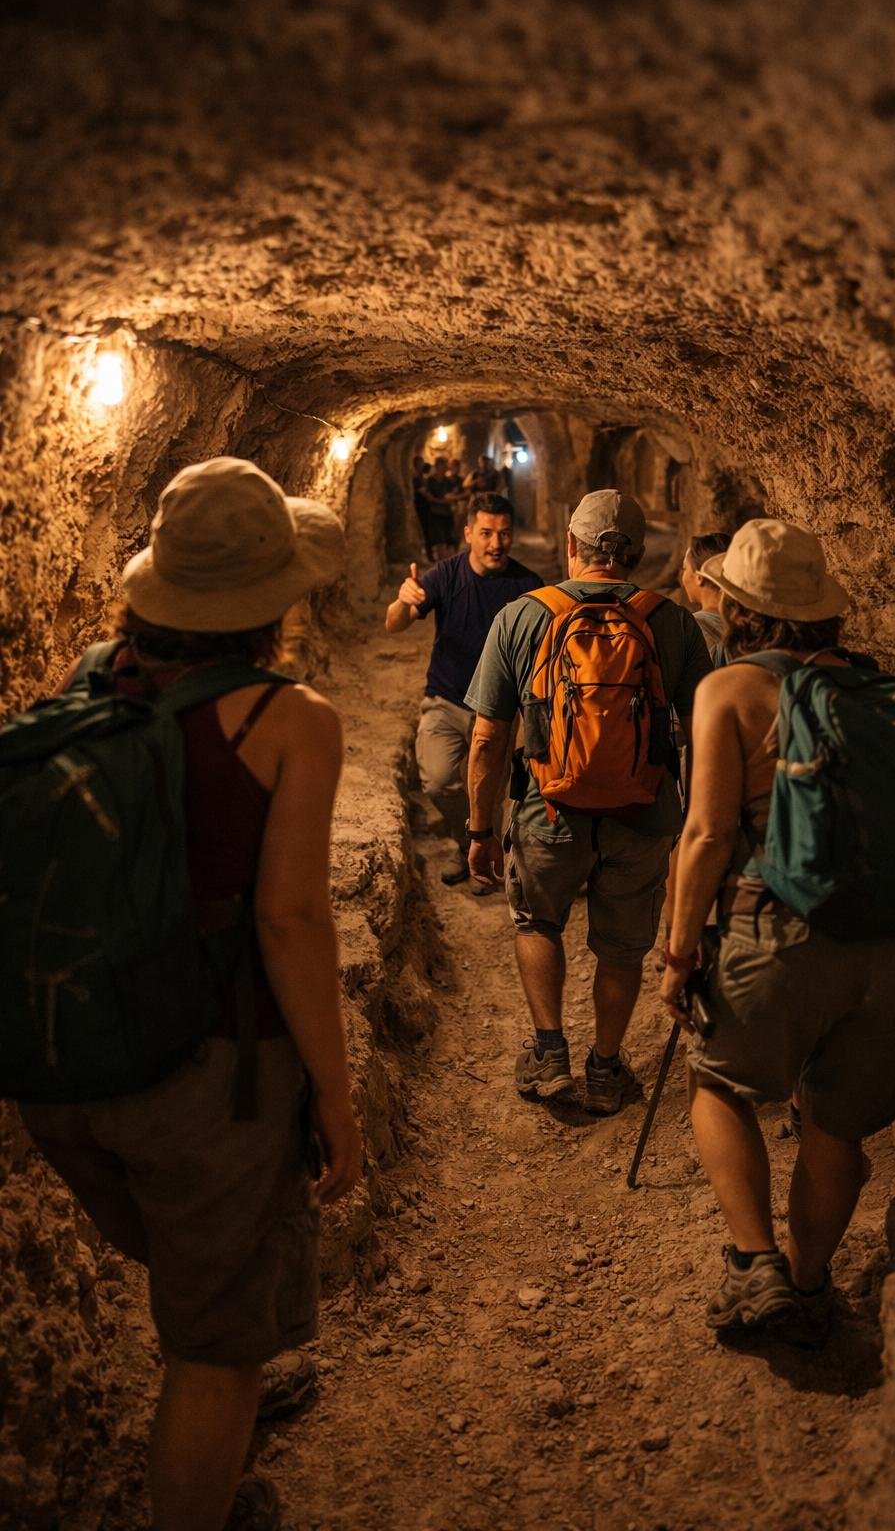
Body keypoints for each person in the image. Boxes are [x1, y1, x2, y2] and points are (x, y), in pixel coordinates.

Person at [19, 458, 364, 1531]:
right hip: (208, 1076)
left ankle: (226, 1409)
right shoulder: (290, 720)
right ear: (274, 598)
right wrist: (336, 1096)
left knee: (196, 1289)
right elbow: (290, 922)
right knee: (214, 1354)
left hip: (60, 1059)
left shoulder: (87, 680)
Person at [660, 518, 895, 1345]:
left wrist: (680, 954)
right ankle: (813, 1280)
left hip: (783, 935)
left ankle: (758, 1269)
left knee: (715, 1080)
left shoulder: (732, 690)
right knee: (836, 1125)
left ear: (738, 606)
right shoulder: (885, 691)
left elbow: (708, 837)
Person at [465, 490, 711, 1114]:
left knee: (538, 921)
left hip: (549, 811)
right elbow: (704, 732)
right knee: (623, 947)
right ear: (637, 551)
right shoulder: (673, 621)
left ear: (572, 545)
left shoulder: (523, 616)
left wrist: (480, 829)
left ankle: (550, 1053)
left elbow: (489, 737)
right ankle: (605, 1068)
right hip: (643, 813)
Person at [384, 494, 543, 890]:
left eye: (504, 534)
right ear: (469, 533)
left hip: (501, 711)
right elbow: (394, 625)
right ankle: (468, 841)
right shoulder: (446, 575)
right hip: (447, 699)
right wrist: (404, 603)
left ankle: (489, 861)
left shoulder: (527, 586)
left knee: (497, 792)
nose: (496, 543)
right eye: (486, 533)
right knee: (438, 780)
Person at [680, 530, 732, 667]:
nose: (683, 577)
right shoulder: (751, 620)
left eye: (684, 569)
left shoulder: (691, 629)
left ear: (699, 578)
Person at [421, 455, 458, 559]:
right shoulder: (430, 481)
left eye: (444, 466)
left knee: (449, 541)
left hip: (447, 514)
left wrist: (441, 501)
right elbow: (429, 498)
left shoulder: (449, 481)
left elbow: (452, 497)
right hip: (435, 514)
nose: (444, 468)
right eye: (441, 465)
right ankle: (443, 566)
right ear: (436, 466)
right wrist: (443, 501)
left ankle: (450, 566)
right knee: (439, 541)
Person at [411, 455, 432, 554]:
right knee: (423, 530)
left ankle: (428, 552)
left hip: (425, 506)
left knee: (427, 530)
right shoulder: (415, 478)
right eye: (420, 463)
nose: (422, 465)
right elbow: (423, 492)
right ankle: (427, 552)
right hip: (420, 506)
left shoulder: (422, 477)